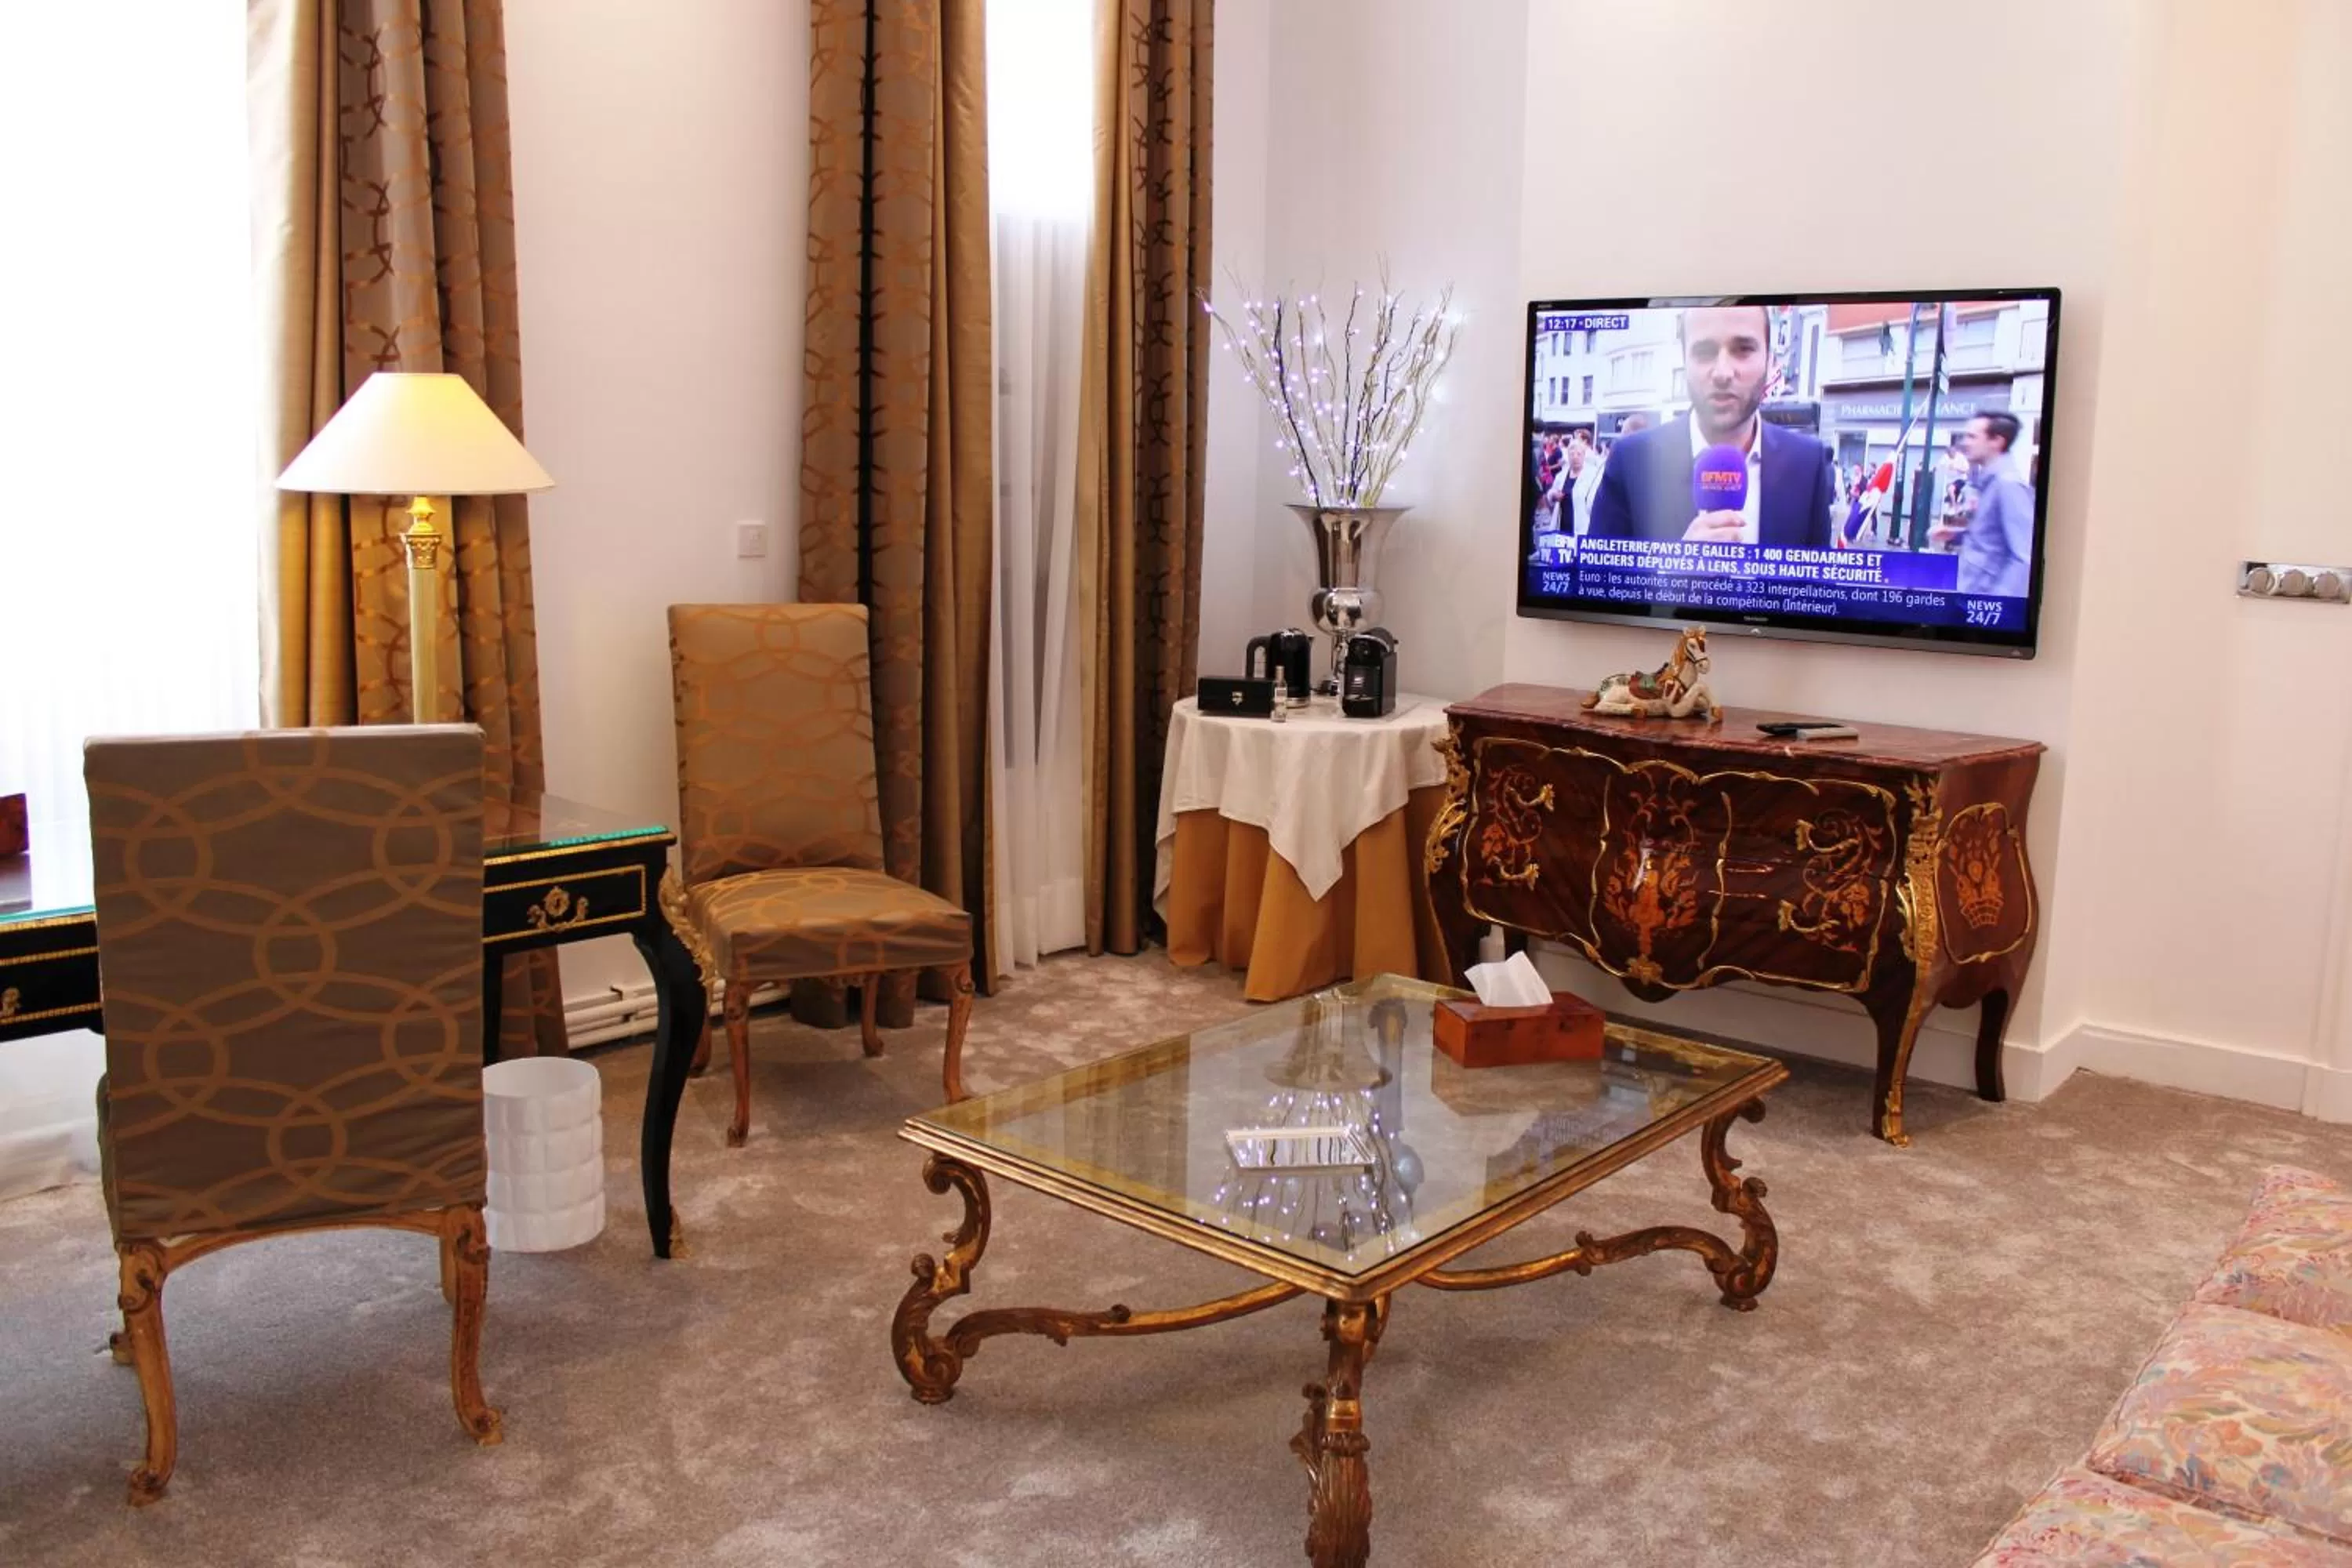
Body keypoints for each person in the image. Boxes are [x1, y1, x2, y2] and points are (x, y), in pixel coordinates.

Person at [1586, 305, 1838, 547]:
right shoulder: (1632, 461)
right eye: (1704, 352)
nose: (1722, 372)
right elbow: (1594, 580)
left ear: (1770, 360)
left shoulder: (1807, 462)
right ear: (1684, 361)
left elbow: (1816, 586)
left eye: (1743, 349)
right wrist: (1674, 573)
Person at [1956, 410, 2034, 596]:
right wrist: (1956, 535)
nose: (1965, 443)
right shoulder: (1989, 482)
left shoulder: (2008, 485)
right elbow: (1992, 541)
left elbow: (2024, 557)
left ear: (1997, 441)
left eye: (1972, 437)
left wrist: (1993, 609)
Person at [1544, 428, 1604, 535]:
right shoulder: (1561, 476)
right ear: (1568, 456)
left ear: (1584, 456)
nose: (1575, 457)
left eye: (1579, 454)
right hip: (1562, 529)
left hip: (1583, 531)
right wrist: (1553, 495)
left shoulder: (1593, 475)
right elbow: (1550, 494)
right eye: (1572, 454)